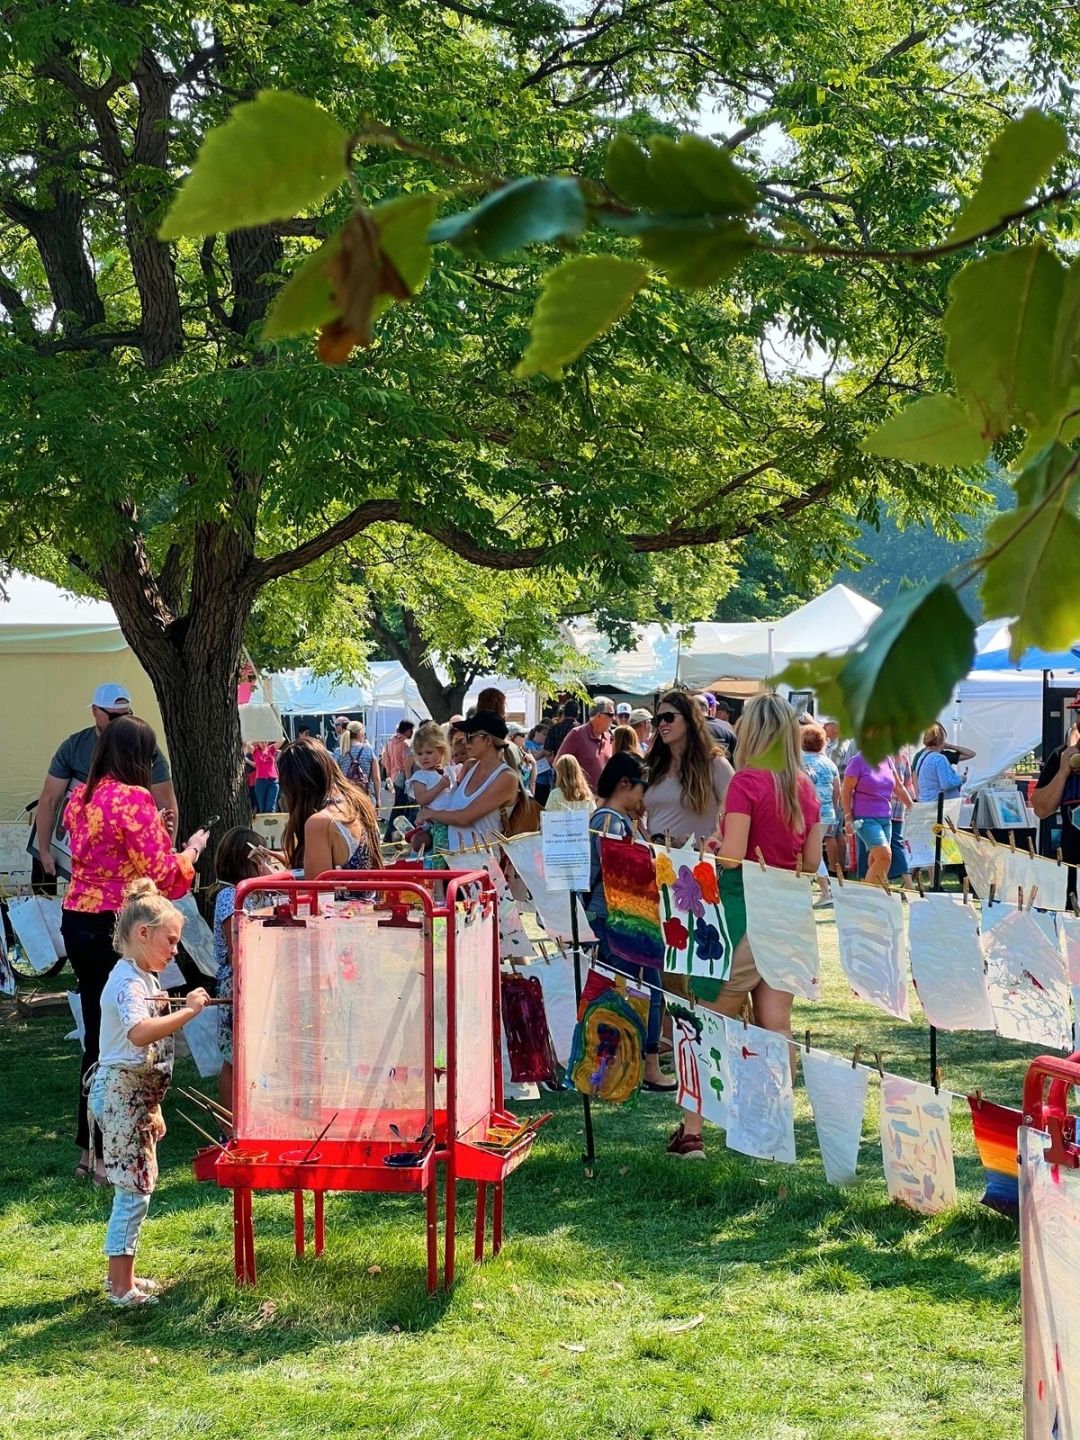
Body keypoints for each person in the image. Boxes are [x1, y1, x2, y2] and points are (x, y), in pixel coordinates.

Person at [671, 695, 822, 1159]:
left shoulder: (746, 783)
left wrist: (713, 844)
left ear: (752, 733)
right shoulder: (806, 786)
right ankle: (772, 1125)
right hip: (790, 916)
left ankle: (692, 1131)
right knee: (776, 1024)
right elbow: (812, 862)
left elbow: (733, 855)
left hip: (742, 916)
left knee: (707, 1017)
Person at [63, 717, 207, 1183]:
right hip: (121, 924)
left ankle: (90, 1152)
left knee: (97, 1034)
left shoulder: (79, 798)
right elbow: (163, 876)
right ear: (138, 758)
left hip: (78, 917)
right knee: (130, 1039)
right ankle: (111, 1152)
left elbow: (113, 852)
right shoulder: (134, 798)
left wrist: (158, 836)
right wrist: (190, 853)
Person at [89, 879, 210, 1305]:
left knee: (138, 1184)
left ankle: (124, 1278)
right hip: (122, 1093)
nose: (175, 950)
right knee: (134, 1188)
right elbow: (140, 1033)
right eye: (170, 940)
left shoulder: (142, 977)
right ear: (143, 934)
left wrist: (153, 1106)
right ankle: (121, 1288)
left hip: (136, 1096)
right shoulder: (127, 982)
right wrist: (190, 1012)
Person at [582, 753, 674, 1091]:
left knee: (636, 988)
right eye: (641, 788)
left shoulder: (613, 819)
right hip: (620, 918)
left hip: (619, 917)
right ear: (625, 784)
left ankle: (628, 1066)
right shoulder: (610, 822)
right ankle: (629, 1068)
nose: (643, 797)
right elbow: (618, 878)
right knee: (637, 990)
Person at [35, 683, 177, 875]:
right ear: (95, 711)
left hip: (127, 856)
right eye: (114, 716)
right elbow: (49, 800)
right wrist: (44, 851)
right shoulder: (74, 748)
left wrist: (166, 856)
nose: (121, 723)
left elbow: (167, 805)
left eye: (127, 715)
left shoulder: (145, 749)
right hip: (81, 852)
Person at [211, 827, 280, 1119]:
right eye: (259, 856)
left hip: (259, 982)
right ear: (246, 859)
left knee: (254, 1055)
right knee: (233, 1058)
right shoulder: (230, 896)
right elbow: (237, 949)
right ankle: (229, 1125)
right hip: (238, 986)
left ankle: (252, 1117)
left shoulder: (256, 894)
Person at [278, 737, 384, 878]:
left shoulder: (320, 823)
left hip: (338, 900)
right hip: (372, 898)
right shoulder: (360, 803)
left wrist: (269, 882)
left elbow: (317, 893)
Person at [418, 711, 520, 853]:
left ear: (488, 740)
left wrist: (429, 813)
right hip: (453, 862)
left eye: (470, 736)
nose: (464, 741)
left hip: (482, 866)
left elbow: (464, 817)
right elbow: (450, 807)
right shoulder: (470, 766)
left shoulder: (506, 777)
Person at [645, 690, 733, 846]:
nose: (662, 723)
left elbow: (736, 811)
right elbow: (634, 809)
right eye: (658, 719)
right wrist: (648, 838)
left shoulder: (714, 764)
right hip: (656, 861)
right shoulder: (653, 763)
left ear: (689, 719)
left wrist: (715, 840)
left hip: (696, 865)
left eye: (669, 717)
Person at [1032, 693, 1080, 902]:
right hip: (1074, 867)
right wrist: (1063, 772)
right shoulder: (1062, 755)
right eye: (1079, 712)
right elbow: (1041, 809)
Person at [841, 751, 913, 887]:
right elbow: (846, 790)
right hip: (865, 819)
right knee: (885, 856)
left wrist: (912, 807)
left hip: (886, 819)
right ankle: (868, 898)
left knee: (876, 860)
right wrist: (848, 817)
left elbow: (899, 787)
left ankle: (876, 896)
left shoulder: (888, 760)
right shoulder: (857, 760)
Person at [801, 722, 840, 903]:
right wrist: (831, 809)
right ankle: (822, 890)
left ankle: (825, 890)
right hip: (826, 813)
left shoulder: (799, 762)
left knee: (809, 852)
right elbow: (836, 792)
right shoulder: (829, 763)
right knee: (813, 850)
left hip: (806, 813)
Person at [407, 721, 457, 853]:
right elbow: (421, 799)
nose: (424, 757)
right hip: (437, 823)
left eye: (429, 752)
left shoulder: (450, 771)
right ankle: (437, 872)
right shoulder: (420, 775)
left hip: (455, 820)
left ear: (441, 750)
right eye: (420, 753)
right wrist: (439, 787)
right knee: (440, 855)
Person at [555, 697, 615, 792]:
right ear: (599, 715)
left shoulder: (609, 738)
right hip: (582, 800)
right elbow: (558, 764)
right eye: (611, 714)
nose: (614, 718)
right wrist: (576, 790)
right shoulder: (577, 734)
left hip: (604, 800)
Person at [913, 723, 972, 801]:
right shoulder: (939, 758)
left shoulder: (922, 757)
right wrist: (961, 779)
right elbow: (946, 784)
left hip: (927, 802)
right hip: (939, 806)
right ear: (941, 740)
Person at [380, 720, 416, 841]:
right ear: (407, 730)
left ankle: (393, 834)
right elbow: (407, 764)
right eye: (411, 730)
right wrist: (408, 782)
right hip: (403, 777)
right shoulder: (405, 743)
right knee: (401, 808)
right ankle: (390, 834)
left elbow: (386, 760)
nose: (412, 732)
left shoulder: (391, 742)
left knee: (399, 807)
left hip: (395, 777)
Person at [340, 720, 381, 803]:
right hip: (366, 797)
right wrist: (378, 800)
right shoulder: (369, 750)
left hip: (347, 798)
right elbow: (376, 778)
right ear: (360, 734)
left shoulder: (340, 752)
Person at [525, 724, 554, 806]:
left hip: (547, 782)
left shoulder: (543, 746)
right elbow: (534, 756)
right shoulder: (529, 743)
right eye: (544, 734)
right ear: (536, 733)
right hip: (536, 781)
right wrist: (545, 752)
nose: (546, 737)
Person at [251, 740, 280, 814]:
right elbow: (245, 743)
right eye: (261, 742)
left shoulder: (271, 749)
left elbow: (283, 739)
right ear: (258, 742)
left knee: (270, 808)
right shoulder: (255, 751)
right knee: (262, 809)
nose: (264, 744)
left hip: (273, 781)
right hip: (260, 782)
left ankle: (272, 825)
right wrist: (254, 742)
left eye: (265, 742)